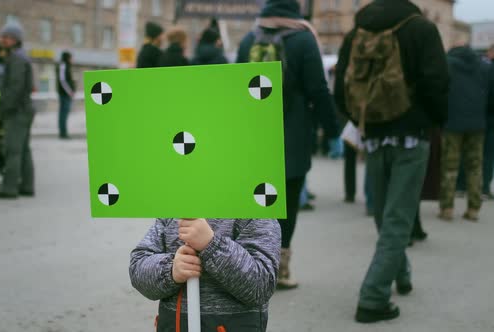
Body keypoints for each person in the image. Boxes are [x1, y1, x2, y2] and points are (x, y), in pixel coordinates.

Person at [334, 0, 449, 323]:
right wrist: (433, 121)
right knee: (397, 220)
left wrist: (359, 117)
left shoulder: (359, 28)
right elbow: (437, 81)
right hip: (411, 136)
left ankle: (402, 275)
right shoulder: (421, 27)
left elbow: (341, 81)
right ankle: (372, 298)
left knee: (385, 216)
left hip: (373, 133)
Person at [236, 0, 340, 289]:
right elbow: (319, 90)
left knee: (253, 204)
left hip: (252, 139)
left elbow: (232, 89)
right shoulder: (304, 39)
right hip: (291, 139)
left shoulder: (249, 39)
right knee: (286, 206)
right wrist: (332, 132)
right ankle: (279, 269)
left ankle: (248, 268)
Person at [130, 218, 280, 331]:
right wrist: (170, 270)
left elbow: (260, 286)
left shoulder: (255, 210)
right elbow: (137, 269)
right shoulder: (173, 211)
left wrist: (211, 244)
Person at [439, 43, 490, 222]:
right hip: (477, 124)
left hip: (451, 123)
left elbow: (440, 91)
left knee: (449, 166)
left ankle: (447, 208)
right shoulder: (484, 67)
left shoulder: (446, 65)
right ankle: (473, 209)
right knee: (475, 166)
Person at [0, 22, 35, 199]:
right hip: (24, 109)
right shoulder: (21, 56)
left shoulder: (16, 58)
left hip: (17, 111)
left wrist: (4, 109)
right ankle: (27, 185)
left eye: (6, 37)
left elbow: (14, 88)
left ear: (15, 39)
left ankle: (9, 188)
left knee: (13, 150)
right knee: (23, 149)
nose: (2, 40)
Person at [482, 45, 494, 199]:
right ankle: (484, 187)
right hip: (490, 117)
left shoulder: (485, 68)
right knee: (488, 154)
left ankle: (462, 185)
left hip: (482, 115)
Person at [56, 51, 75, 139]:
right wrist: (69, 91)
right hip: (64, 94)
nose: (72, 60)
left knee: (64, 114)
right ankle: (63, 133)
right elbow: (62, 80)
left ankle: (63, 132)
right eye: (71, 58)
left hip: (65, 94)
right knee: (63, 114)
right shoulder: (63, 65)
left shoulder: (66, 66)